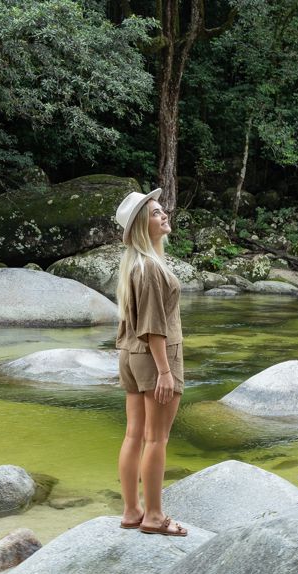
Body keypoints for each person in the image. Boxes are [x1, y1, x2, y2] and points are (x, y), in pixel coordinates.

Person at [114, 188, 187, 537]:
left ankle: (132, 511)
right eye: (157, 213)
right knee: (156, 439)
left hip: (129, 355)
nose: (165, 216)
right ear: (144, 225)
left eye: (162, 211)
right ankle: (154, 516)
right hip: (155, 356)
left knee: (134, 435)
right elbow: (154, 327)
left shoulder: (135, 265)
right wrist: (164, 371)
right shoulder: (152, 269)